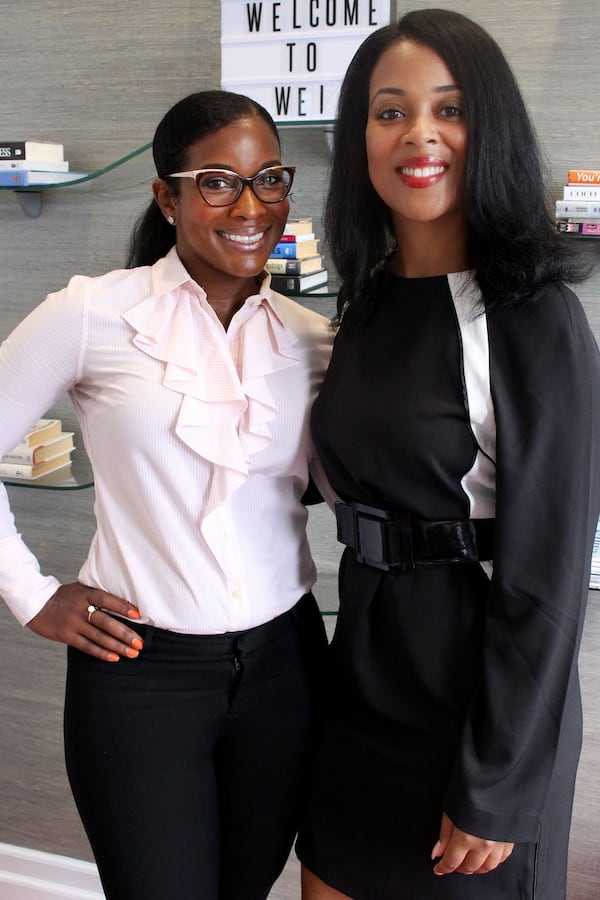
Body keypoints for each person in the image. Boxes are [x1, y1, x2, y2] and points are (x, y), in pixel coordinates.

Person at [295, 9, 600, 900]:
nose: (419, 135)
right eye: (390, 112)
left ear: (489, 125)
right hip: (361, 673)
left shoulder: (532, 315)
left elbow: (547, 572)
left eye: (450, 109)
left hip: (476, 702)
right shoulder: (365, 301)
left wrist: (498, 781)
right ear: (360, 140)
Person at [0, 90, 333, 900]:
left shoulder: (313, 337)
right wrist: (32, 594)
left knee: (246, 887)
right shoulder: (90, 314)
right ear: (167, 195)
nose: (251, 206)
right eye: (218, 182)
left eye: (270, 180)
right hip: (140, 678)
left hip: (288, 670)